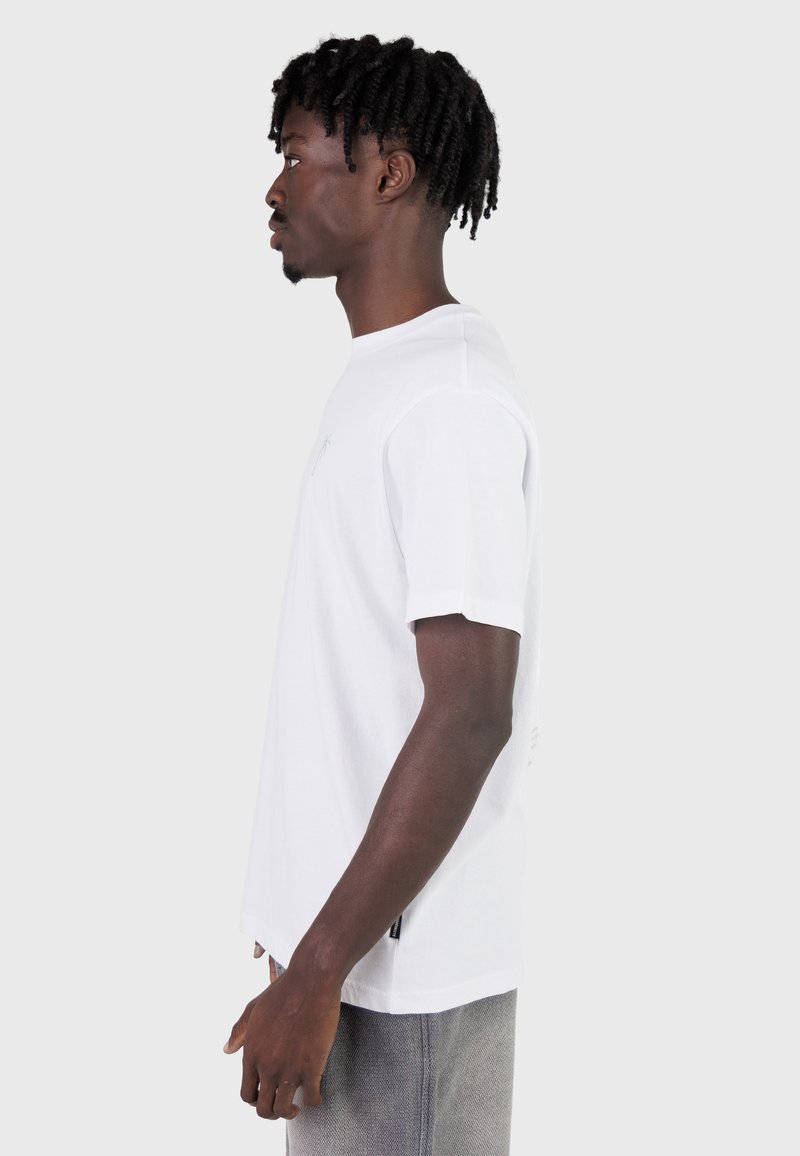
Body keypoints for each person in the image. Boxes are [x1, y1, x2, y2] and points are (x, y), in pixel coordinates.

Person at [223, 33, 543, 1156]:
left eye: (297, 154)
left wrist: (319, 969)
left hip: (395, 984)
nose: (274, 188)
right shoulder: (390, 376)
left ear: (390, 174)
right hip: (351, 958)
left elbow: (469, 713)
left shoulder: (447, 398)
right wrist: (300, 938)